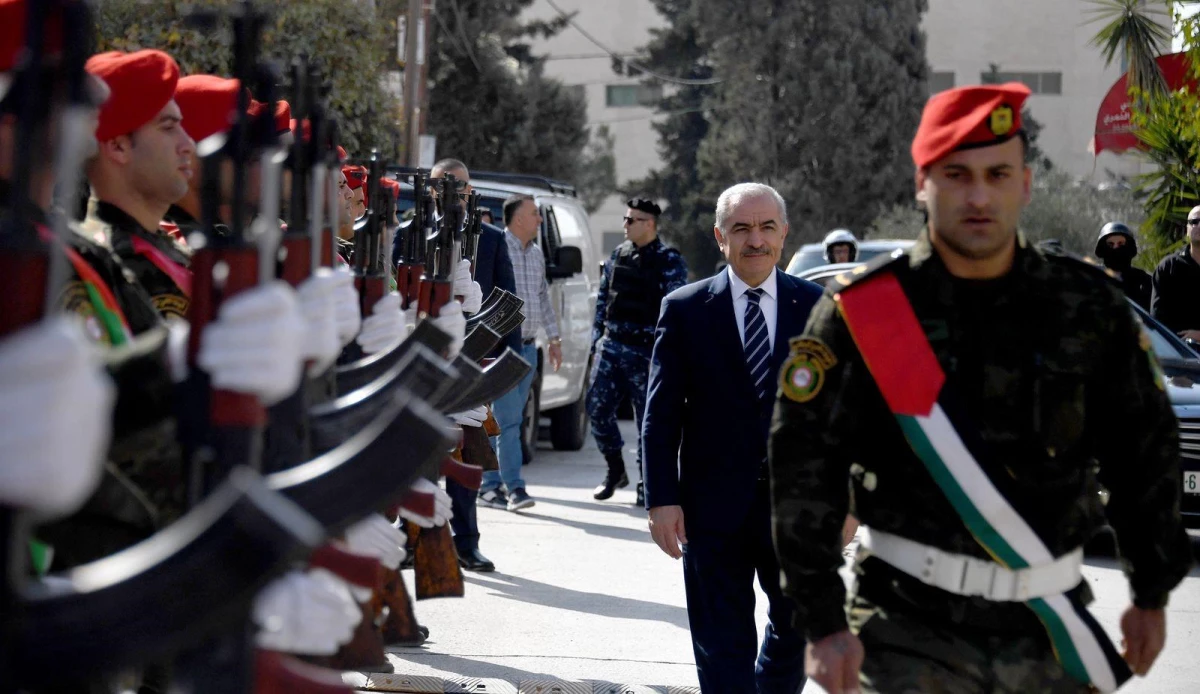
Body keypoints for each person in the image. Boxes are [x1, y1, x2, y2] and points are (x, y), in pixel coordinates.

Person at [769, 83, 1192, 694]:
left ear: (1025, 183)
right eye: (956, 174)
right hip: (902, 627)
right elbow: (802, 468)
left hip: (1048, 631)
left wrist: (1150, 589)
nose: (978, 196)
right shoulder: (865, 313)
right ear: (922, 183)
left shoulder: (1087, 304)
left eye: (998, 174)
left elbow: (1142, 450)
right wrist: (821, 620)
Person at [641, 182, 823, 693]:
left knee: (800, 629)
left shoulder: (818, 307)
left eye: (767, 227)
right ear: (720, 237)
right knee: (722, 643)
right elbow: (661, 415)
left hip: (798, 510)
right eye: (741, 228)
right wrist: (662, 500)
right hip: (711, 508)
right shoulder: (685, 309)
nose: (755, 239)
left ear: (784, 234)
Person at [412, 157, 516, 572]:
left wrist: (493, 354)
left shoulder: (488, 237)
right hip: (426, 354)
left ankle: (467, 543)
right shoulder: (413, 232)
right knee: (421, 456)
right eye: (447, 185)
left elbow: (505, 297)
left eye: (463, 185)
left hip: (471, 357)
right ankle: (413, 539)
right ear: (432, 190)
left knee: (468, 457)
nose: (457, 192)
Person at [81, 49, 196, 319]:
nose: (188, 144)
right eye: (168, 128)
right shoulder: (108, 260)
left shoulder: (163, 243)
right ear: (119, 147)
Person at [588, 197, 687, 504]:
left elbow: (676, 310)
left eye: (631, 220)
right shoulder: (619, 254)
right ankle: (615, 469)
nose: (625, 225)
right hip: (613, 347)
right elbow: (604, 299)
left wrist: (669, 352)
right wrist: (596, 341)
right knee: (596, 410)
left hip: (648, 353)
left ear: (650, 224)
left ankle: (648, 483)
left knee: (649, 422)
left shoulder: (669, 260)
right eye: (625, 219)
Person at [482, 194, 562, 512]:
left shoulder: (537, 254)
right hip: (503, 349)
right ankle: (513, 488)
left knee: (506, 420)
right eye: (534, 214)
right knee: (509, 420)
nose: (539, 220)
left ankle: (489, 486)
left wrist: (554, 339)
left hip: (528, 349)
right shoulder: (498, 248)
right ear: (517, 219)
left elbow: (542, 297)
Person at [1151, 205, 1200, 341]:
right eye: (1194, 222)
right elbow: (1157, 322)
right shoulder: (1168, 268)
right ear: (1187, 230)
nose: (1199, 225)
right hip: (1178, 355)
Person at [1095, 222, 1151, 310]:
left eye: (1121, 244)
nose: (1115, 248)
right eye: (1110, 244)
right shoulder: (1094, 278)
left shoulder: (1144, 282)